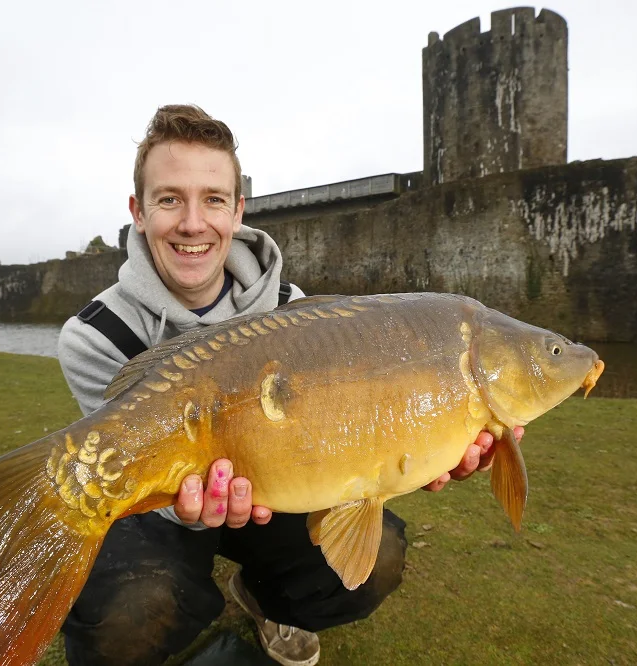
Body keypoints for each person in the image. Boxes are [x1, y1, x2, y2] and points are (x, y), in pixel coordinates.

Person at [56, 104, 522, 666]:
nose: (192, 222)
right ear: (138, 210)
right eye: (169, 199)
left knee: (380, 559)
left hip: (274, 493)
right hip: (158, 503)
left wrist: (420, 453)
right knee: (126, 617)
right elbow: (127, 475)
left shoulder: (293, 312)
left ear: (237, 210)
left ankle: (265, 599)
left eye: (213, 199)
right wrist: (182, 506)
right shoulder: (92, 335)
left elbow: (343, 442)